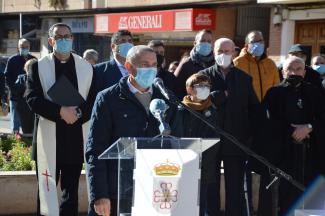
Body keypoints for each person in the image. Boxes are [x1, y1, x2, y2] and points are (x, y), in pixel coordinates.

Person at [86, 45, 173, 216]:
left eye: (154, 64)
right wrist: (99, 195)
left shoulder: (165, 98)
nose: (151, 69)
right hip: (116, 191)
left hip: (153, 191)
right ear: (128, 67)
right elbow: (95, 149)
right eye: (144, 64)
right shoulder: (108, 98)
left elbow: (175, 144)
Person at [25, 23, 96, 216]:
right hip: (48, 138)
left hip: (74, 138)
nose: (64, 40)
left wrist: (79, 113)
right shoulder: (38, 67)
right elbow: (32, 98)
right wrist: (60, 111)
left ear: (72, 39)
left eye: (67, 36)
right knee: (45, 191)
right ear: (51, 41)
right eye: (59, 37)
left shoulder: (86, 68)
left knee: (70, 193)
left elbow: (94, 100)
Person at [199, 38, 260, 216]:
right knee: (211, 187)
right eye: (219, 51)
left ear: (234, 52)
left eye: (227, 51)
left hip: (236, 141)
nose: (223, 55)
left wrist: (250, 137)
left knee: (235, 188)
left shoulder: (244, 79)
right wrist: (218, 96)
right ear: (213, 52)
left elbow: (254, 109)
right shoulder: (203, 76)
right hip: (209, 141)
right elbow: (194, 103)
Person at [258, 56, 325, 215]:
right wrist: (290, 131)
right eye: (290, 69)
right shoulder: (273, 93)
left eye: (299, 69)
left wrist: (309, 128)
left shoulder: (314, 92)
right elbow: (266, 123)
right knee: (284, 200)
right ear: (283, 72)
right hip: (284, 156)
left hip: (310, 156)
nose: (294, 72)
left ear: (304, 72)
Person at [171, 73, 225, 215]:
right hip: (183, 165)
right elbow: (177, 135)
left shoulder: (212, 110)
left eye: (207, 86)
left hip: (204, 166)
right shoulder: (180, 109)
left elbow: (214, 139)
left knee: (200, 204)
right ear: (189, 89)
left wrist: (201, 158)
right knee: (181, 204)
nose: (205, 89)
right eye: (201, 86)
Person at [233, 30, 280, 102]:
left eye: (260, 41)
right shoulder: (237, 63)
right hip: (247, 109)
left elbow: (276, 87)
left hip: (266, 108)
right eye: (253, 42)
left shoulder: (271, 64)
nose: (258, 44)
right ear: (246, 45)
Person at [4, 38, 36, 134]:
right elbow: (7, 77)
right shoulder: (13, 60)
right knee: (15, 124)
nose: (25, 48)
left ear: (29, 47)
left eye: (26, 47)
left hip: (29, 98)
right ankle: (16, 143)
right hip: (16, 97)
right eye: (22, 47)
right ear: (18, 47)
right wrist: (13, 89)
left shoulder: (33, 60)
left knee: (30, 124)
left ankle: (29, 144)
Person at [174, 29, 215, 99]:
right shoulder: (186, 64)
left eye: (209, 41)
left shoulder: (216, 64)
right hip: (190, 106)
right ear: (195, 43)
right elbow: (175, 88)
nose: (206, 43)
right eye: (202, 41)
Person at [14, 58, 37, 135]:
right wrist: (27, 84)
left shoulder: (39, 78)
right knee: (26, 131)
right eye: (29, 67)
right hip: (24, 109)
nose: (31, 69)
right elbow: (15, 91)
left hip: (36, 109)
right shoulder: (21, 78)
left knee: (37, 132)